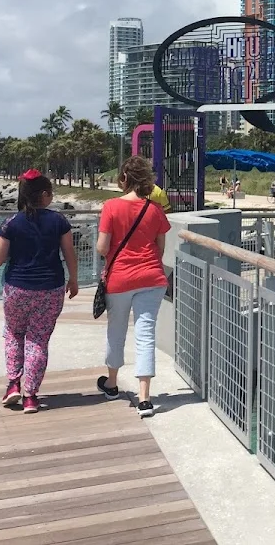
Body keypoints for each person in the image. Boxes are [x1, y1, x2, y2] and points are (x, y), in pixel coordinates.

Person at [0, 169, 79, 414]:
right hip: (51, 288)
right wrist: (74, 280)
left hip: (17, 289)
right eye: (50, 193)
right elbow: (69, 253)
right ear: (43, 195)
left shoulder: (11, 223)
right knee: (38, 340)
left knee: (13, 334)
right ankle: (30, 396)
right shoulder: (59, 221)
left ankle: (13, 384)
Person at [96, 155, 171, 418]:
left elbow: (103, 247)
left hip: (120, 279)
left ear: (124, 178)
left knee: (116, 332)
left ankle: (112, 384)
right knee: (145, 334)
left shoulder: (111, 207)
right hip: (152, 278)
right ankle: (145, 398)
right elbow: (160, 249)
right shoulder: (155, 210)